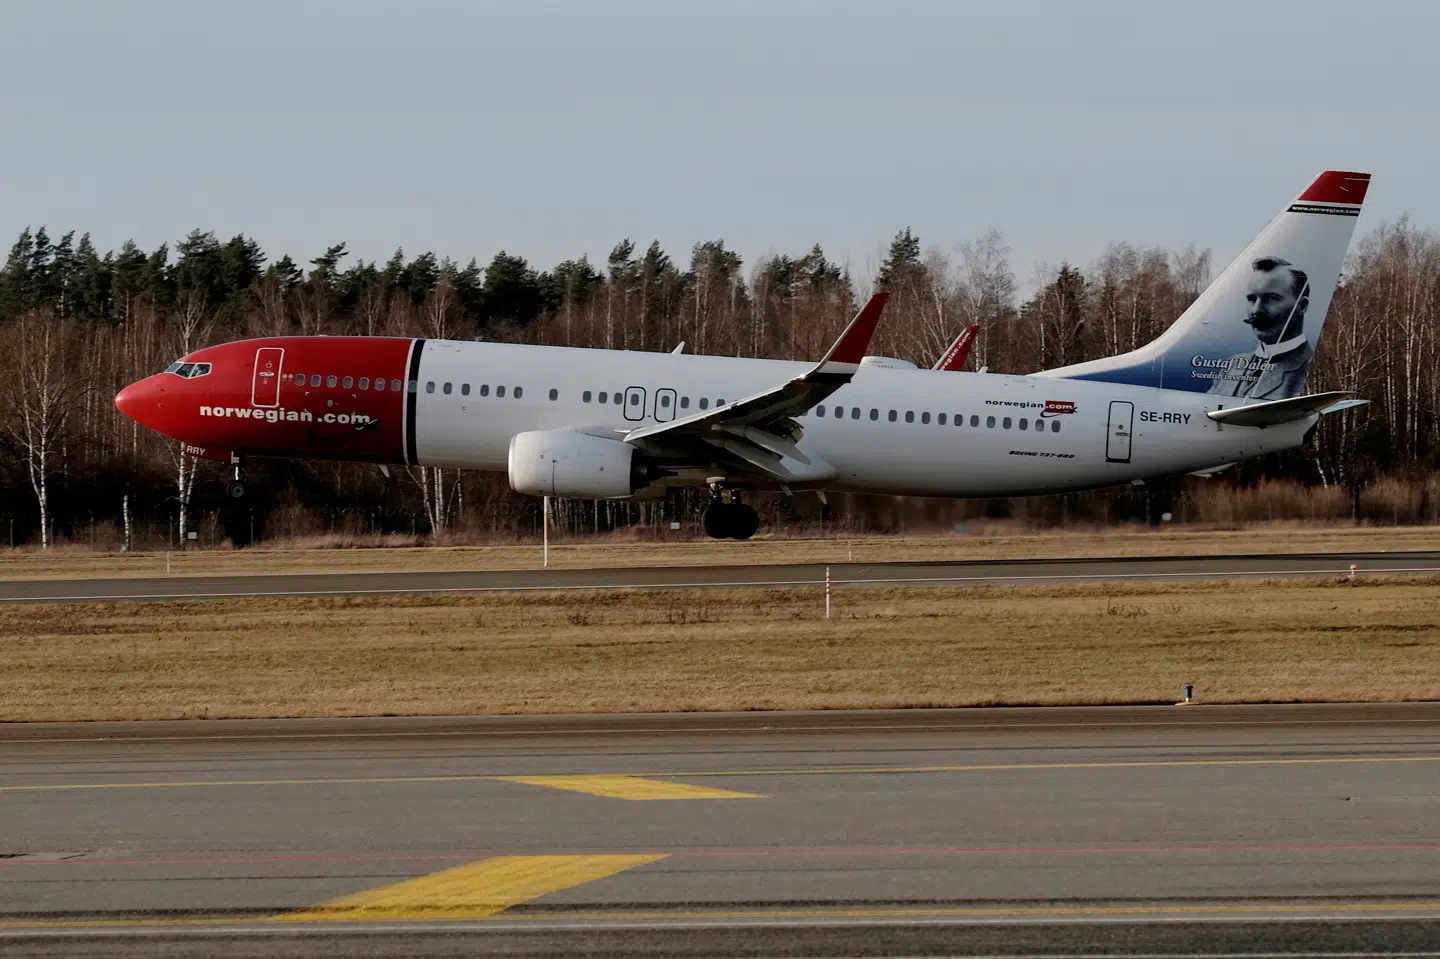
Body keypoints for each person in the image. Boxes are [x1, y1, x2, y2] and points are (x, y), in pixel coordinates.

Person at [1207, 257, 1312, 399]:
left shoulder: (1310, 368)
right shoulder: (1233, 365)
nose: (1256, 310)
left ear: (1302, 306)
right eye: (1251, 299)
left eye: (1271, 298)